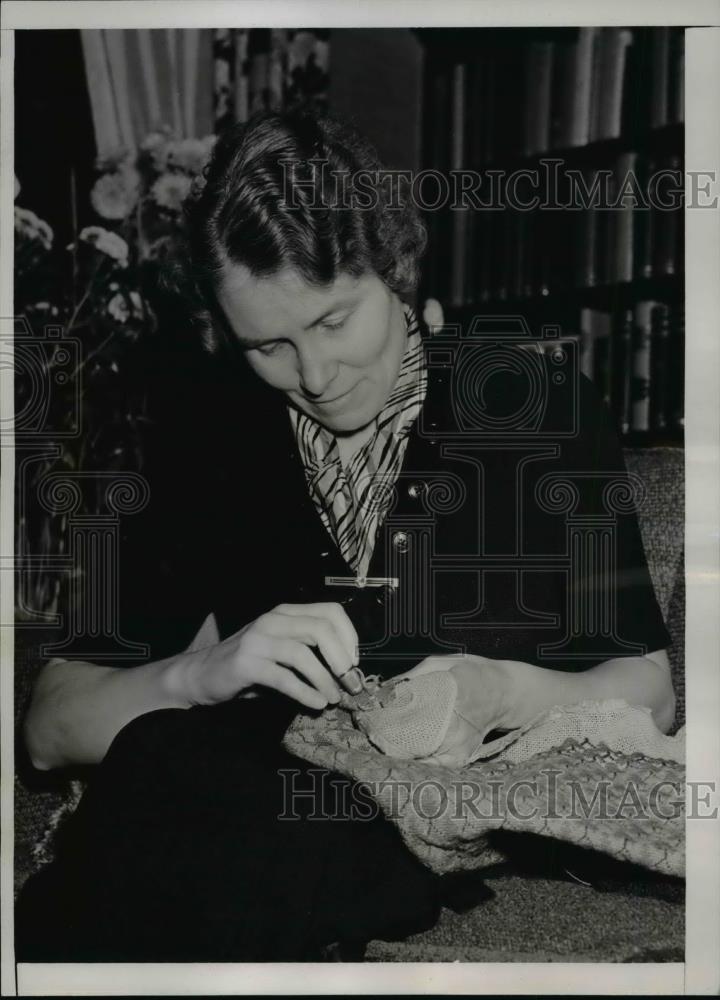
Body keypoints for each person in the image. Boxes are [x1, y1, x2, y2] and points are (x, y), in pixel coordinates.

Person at [17, 108, 675, 961]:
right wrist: (205, 670)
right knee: (178, 765)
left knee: (247, 821)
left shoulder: (528, 404)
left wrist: (499, 692)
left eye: (334, 321)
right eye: (269, 346)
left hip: (386, 832)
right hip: (212, 806)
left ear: (395, 265)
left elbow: (649, 691)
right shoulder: (207, 432)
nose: (316, 377)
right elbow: (48, 727)